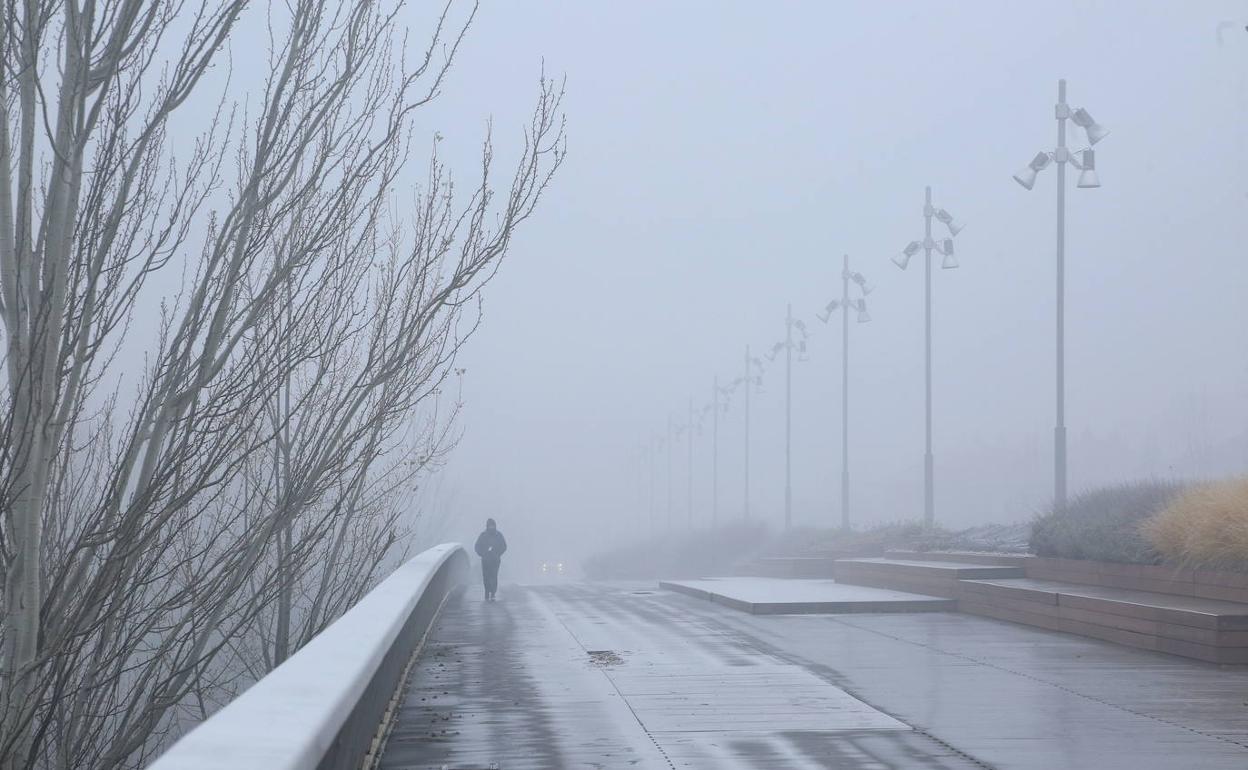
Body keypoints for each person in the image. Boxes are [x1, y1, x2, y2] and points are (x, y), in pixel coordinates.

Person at [474, 518, 507, 601]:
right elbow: (477, 546)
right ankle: (487, 591)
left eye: (492, 525)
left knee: (494, 575)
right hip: (485, 560)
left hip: (495, 560)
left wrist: (498, 553)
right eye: (490, 526)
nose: (491, 527)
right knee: (486, 576)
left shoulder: (499, 535)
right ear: (487, 526)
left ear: (495, 526)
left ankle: (493, 592)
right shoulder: (483, 535)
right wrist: (482, 553)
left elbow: (504, 546)